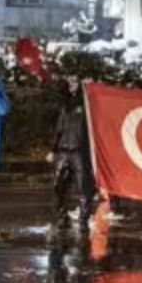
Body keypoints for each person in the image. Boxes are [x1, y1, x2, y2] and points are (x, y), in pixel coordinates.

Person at [51, 79, 96, 229]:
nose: (72, 86)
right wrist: (53, 149)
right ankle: (62, 217)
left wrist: (88, 87)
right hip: (64, 149)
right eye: (70, 83)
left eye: (75, 83)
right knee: (58, 185)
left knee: (84, 186)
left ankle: (83, 219)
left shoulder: (88, 104)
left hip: (80, 150)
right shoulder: (65, 105)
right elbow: (59, 128)